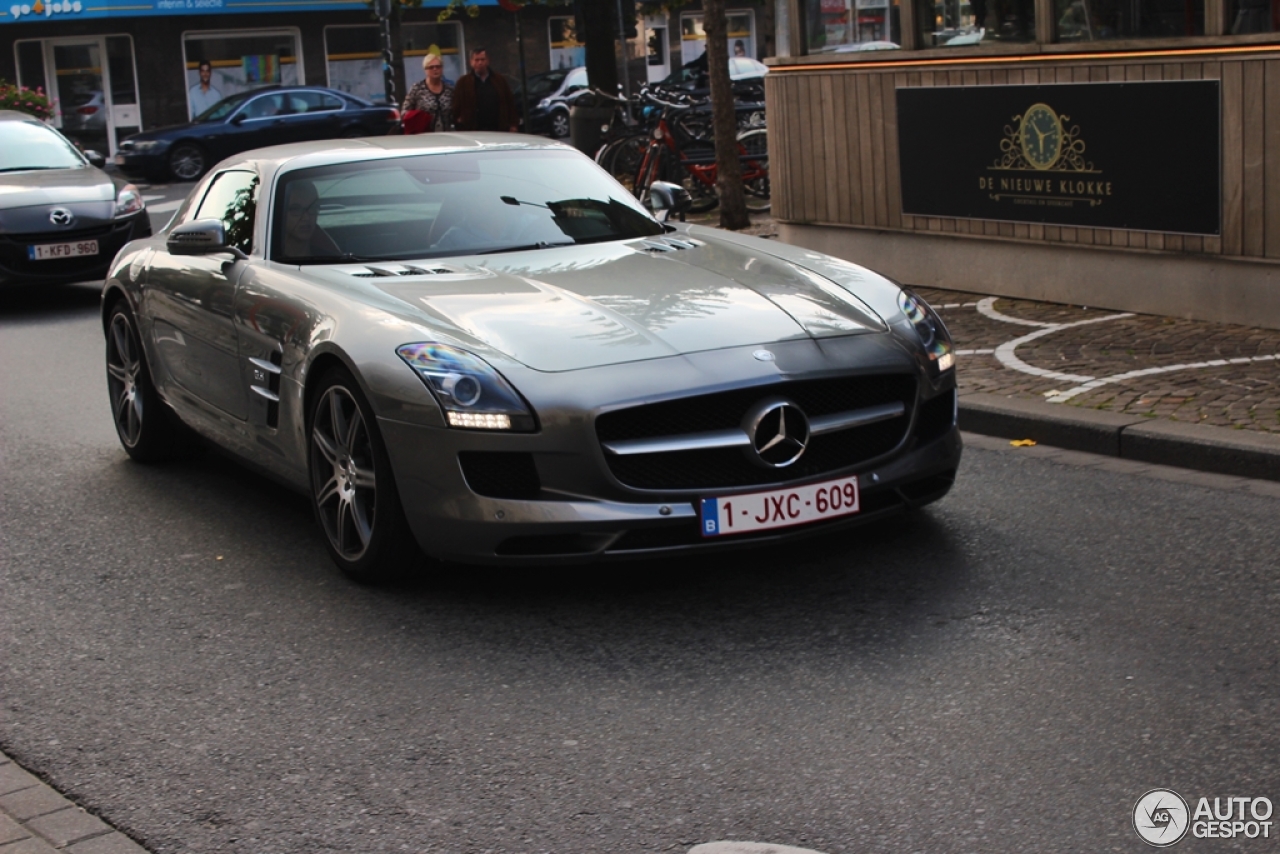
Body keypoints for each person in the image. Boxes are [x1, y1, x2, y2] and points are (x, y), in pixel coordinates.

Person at [450, 47, 518, 133]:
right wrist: (459, 123)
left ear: (488, 61)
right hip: (473, 130)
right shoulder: (463, 82)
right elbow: (456, 106)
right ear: (471, 62)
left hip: (498, 129)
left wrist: (513, 125)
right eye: (476, 60)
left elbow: (510, 103)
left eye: (482, 59)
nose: (480, 63)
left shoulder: (499, 80)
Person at [281, 180, 341, 259]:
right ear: (281, 213)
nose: (306, 217)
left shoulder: (329, 260)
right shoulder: (267, 261)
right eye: (296, 209)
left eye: (312, 208)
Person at [401, 53, 454, 133]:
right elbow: (404, 113)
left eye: (438, 66)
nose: (435, 69)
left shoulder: (449, 89)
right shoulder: (417, 88)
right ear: (425, 70)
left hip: (446, 137)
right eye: (431, 67)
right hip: (423, 137)